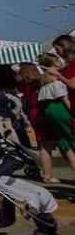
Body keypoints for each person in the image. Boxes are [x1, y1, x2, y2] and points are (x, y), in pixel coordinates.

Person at [37, 52, 75, 181]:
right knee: (71, 136)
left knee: (64, 141)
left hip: (49, 109)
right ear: (54, 62)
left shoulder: (43, 78)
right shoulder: (56, 76)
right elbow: (64, 97)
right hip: (61, 108)